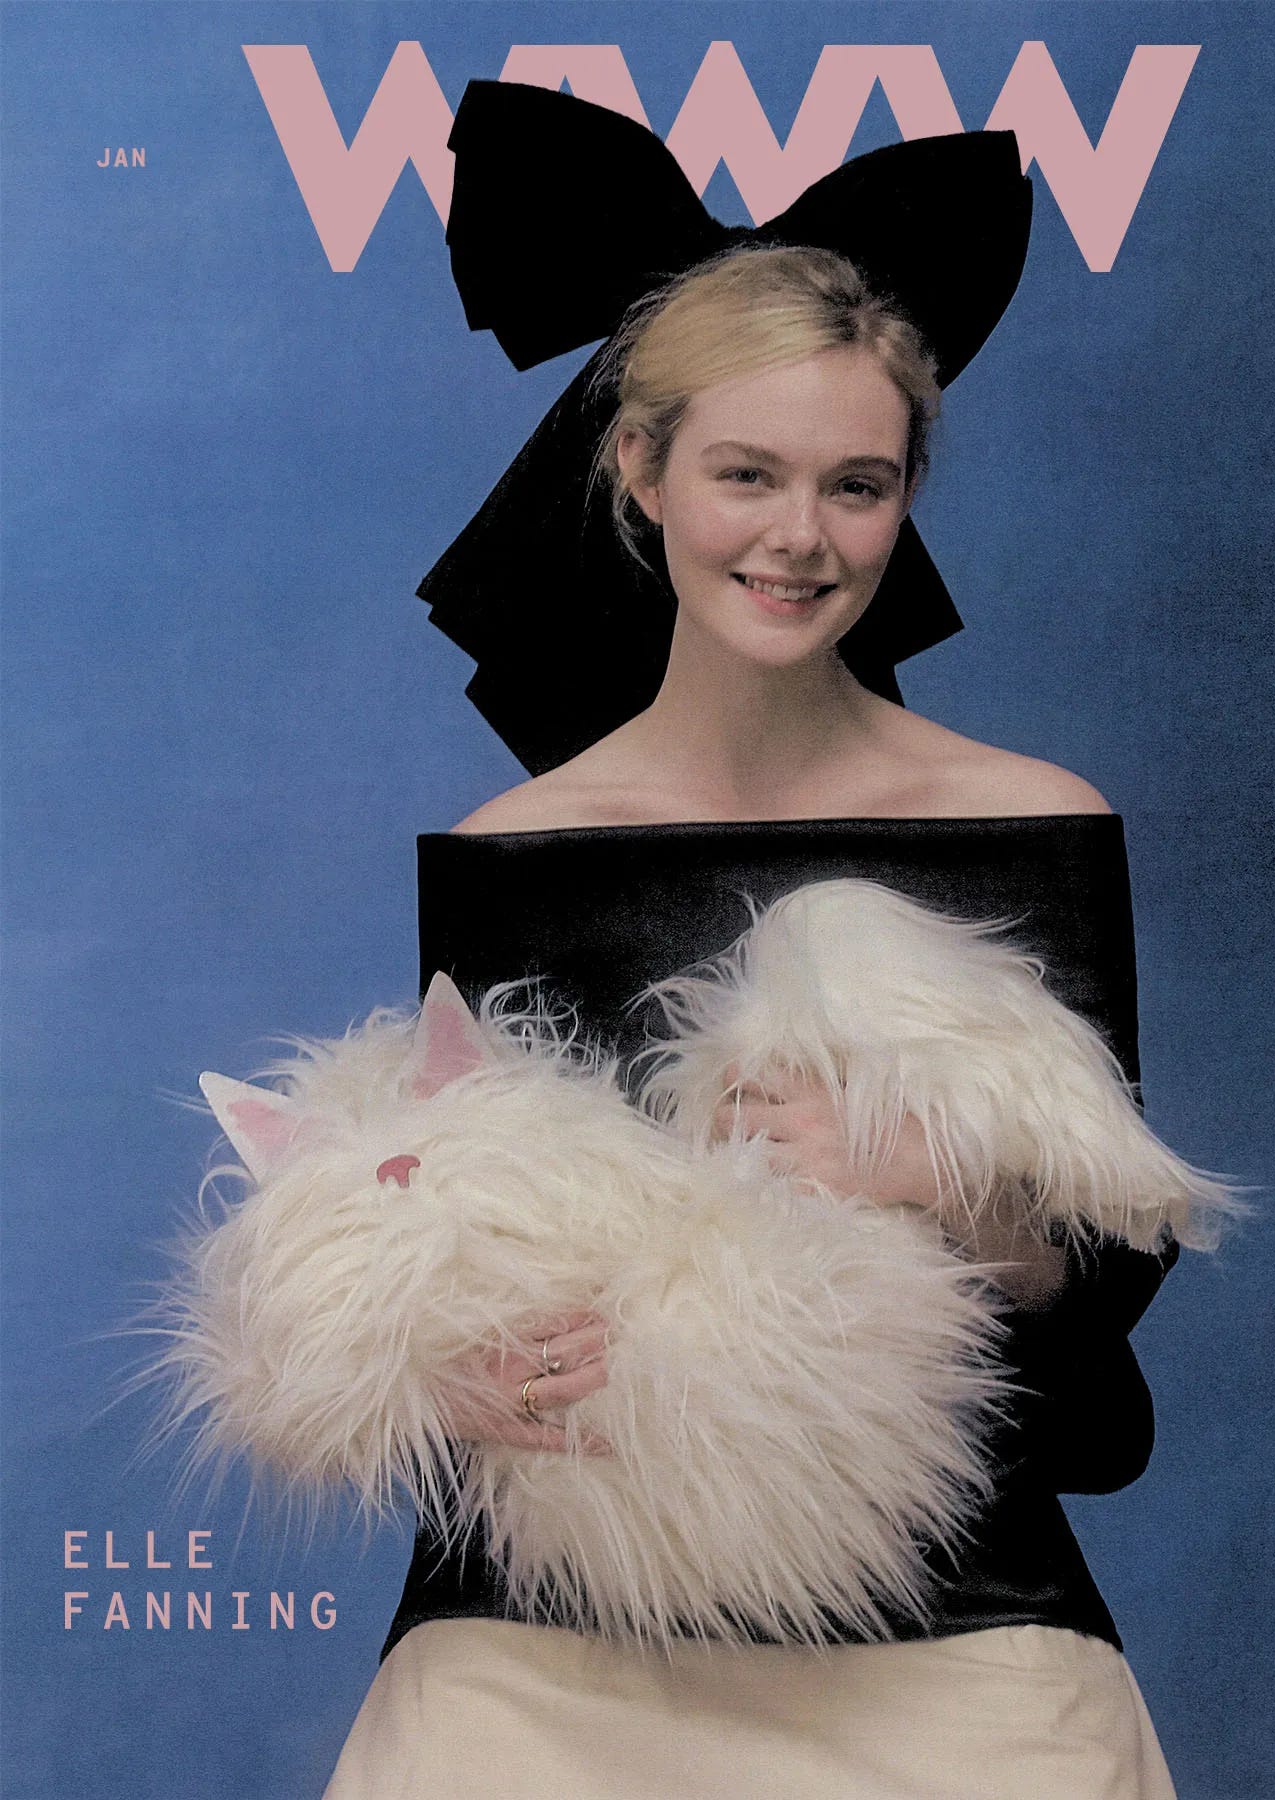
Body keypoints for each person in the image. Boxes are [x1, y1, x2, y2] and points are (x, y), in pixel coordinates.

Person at [322, 106, 1189, 1794]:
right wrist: (445, 1363)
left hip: (955, 1614)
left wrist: (938, 1185)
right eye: (745, 474)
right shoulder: (512, 852)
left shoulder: (1029, 820)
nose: (799, 536)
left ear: (903, 501)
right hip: (548, 1634)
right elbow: (453, 1239)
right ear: (638, 471)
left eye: (854, 485)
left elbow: (1108, 1269)